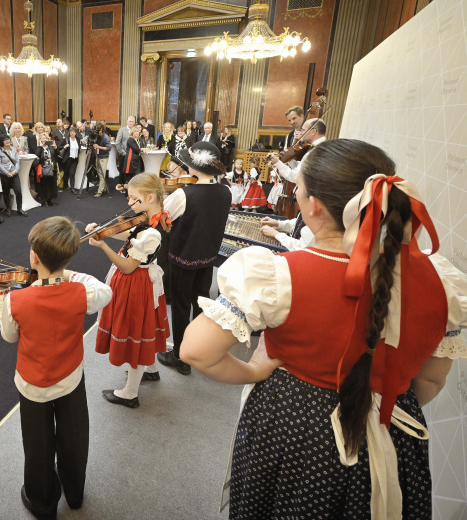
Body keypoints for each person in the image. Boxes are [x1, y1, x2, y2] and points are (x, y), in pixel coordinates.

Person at [179, 139, 467, 519]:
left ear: (312, 205)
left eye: (297, 187)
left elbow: (195, 351)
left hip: (295, 434)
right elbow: (431, 382)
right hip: (393, 434)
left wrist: (253, 370)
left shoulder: (279, 276)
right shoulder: (445, 283)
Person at [0, 216, 112, 520]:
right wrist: (64, 272)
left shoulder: (16, 299)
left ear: (34, 257)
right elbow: (104, 291)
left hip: (32, 384)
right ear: (69, 257)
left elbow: (9, 336)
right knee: (74, 435)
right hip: (70, 377)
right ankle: (75, 493)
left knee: (38, 445)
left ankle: (42, 503)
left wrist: (3, 298)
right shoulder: (82, 292)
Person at [85, 173, 170, 408]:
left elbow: (128, 266)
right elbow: (130, 233)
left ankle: (130, 393)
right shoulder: (149, 218)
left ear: (150, 197)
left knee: (136, 331)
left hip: (136, 285)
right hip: (140, 282)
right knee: (145, 327)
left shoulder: (151, 233)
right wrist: (103, 230)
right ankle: (150, 369)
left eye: (133, 198)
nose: (129, 203)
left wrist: (102, 244)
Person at [157, 141, 231, 375]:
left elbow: (162, 220)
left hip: (182, 258)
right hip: (208, 259)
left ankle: (180, 356)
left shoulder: (183, 193)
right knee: (201, 306)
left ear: (194, 167)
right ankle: (198, 351)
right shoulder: (225, 191)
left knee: (180, 307)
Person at [0, 135, 27, 217]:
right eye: (5, 140)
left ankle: (20, 209)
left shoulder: (13, 149)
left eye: (8, 139)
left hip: (14, 173)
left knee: (18, 191)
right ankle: (8, 209)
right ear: (1, 142)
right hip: (4, 175)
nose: (7, 141)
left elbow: (17, 161)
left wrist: (15, 171)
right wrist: (7, 172)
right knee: (6, 192)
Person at [33, 133, 58, 207]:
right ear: (40, 140)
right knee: (44, 185)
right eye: (42, 138)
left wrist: (56, 147)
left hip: (52, 168)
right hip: (43, 169)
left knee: (51, 184)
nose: (44, 140)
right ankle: (44, 200)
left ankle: (50, 200)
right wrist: (40, 146)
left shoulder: (51, 147)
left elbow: (57, 154)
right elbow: (37, 156)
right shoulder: (39, 148)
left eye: (45, 138)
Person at [120, 125, 142, 192]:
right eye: (135, 132)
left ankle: (131, 191)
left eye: (137, 132)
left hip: (134, 160)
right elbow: (136, 149)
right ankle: (128, 192)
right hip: (130, 160)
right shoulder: (130, 139)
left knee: (134, 176)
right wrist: (143, 149)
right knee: (129, 176)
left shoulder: (136, 140)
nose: (136, 133)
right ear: (132, 133)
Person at [91, 125, 112, 197]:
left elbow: (109, 148)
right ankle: (103, 188)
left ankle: (100, 191)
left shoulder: (105, 137)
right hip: (98, 156)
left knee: (102, 174)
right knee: (99, 173)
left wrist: (98, 147)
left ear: (102, 130)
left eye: (99, 130)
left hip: (104, 157)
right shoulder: (96, 136)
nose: (98, 132)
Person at [61, 127, 80, 195]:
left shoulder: (78, 139)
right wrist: (65, 146)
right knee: (66, 173)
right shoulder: (66, 139)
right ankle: (65, 186)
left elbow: (79, 148)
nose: (72, 133)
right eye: (71, 132)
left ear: (75, 133)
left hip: (75, 159)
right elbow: (59, 146)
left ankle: (72, 188)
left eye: (73, 132)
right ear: (69, 133)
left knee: (72, 173)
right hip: (68, 159)